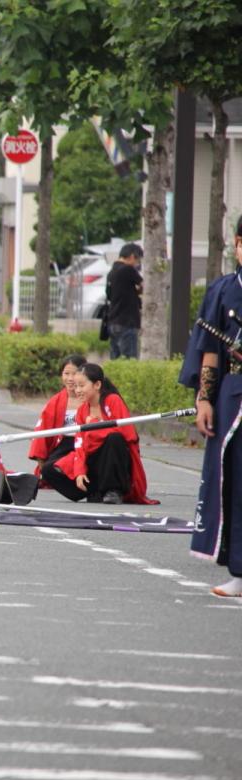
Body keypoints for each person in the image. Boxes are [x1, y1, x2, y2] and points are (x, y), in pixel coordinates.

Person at [179, 213, 242, 598]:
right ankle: (240, 571)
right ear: (237, 245)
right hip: (233, 396)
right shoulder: (222, 291)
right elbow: (209, 352)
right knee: (235, 480)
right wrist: (204, 397)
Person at [41, 363, 154, 505]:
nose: (77, 390)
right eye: (76, 386)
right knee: (48, 470)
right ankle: (93, 490)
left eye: (82, 386)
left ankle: (113, 490)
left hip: (114, 460)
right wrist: (79, 471)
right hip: (91, 457)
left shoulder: (112, 400)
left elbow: (128, 435)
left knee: (114, 439)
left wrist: (94, 426)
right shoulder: (82, 411)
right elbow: (80, 445)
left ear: (97, 385)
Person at [28, 354, 88, 480]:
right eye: (66, 373)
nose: (70, 378)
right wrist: (41, 463)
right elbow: (42, 432)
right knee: (50, 469)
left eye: (74, 374)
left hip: (87, 444)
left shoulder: (91, 397)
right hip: (64, 444)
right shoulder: (55, 401)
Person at [105, 243, 144, 359]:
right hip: (127, 322)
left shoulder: (111, 272)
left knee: (116, 360)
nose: (138, 264)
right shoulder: (128, 269)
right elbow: (144, 285)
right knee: (129, 359)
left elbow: (110, 294)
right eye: (138, 260)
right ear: (132, 256)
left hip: (113, 322)